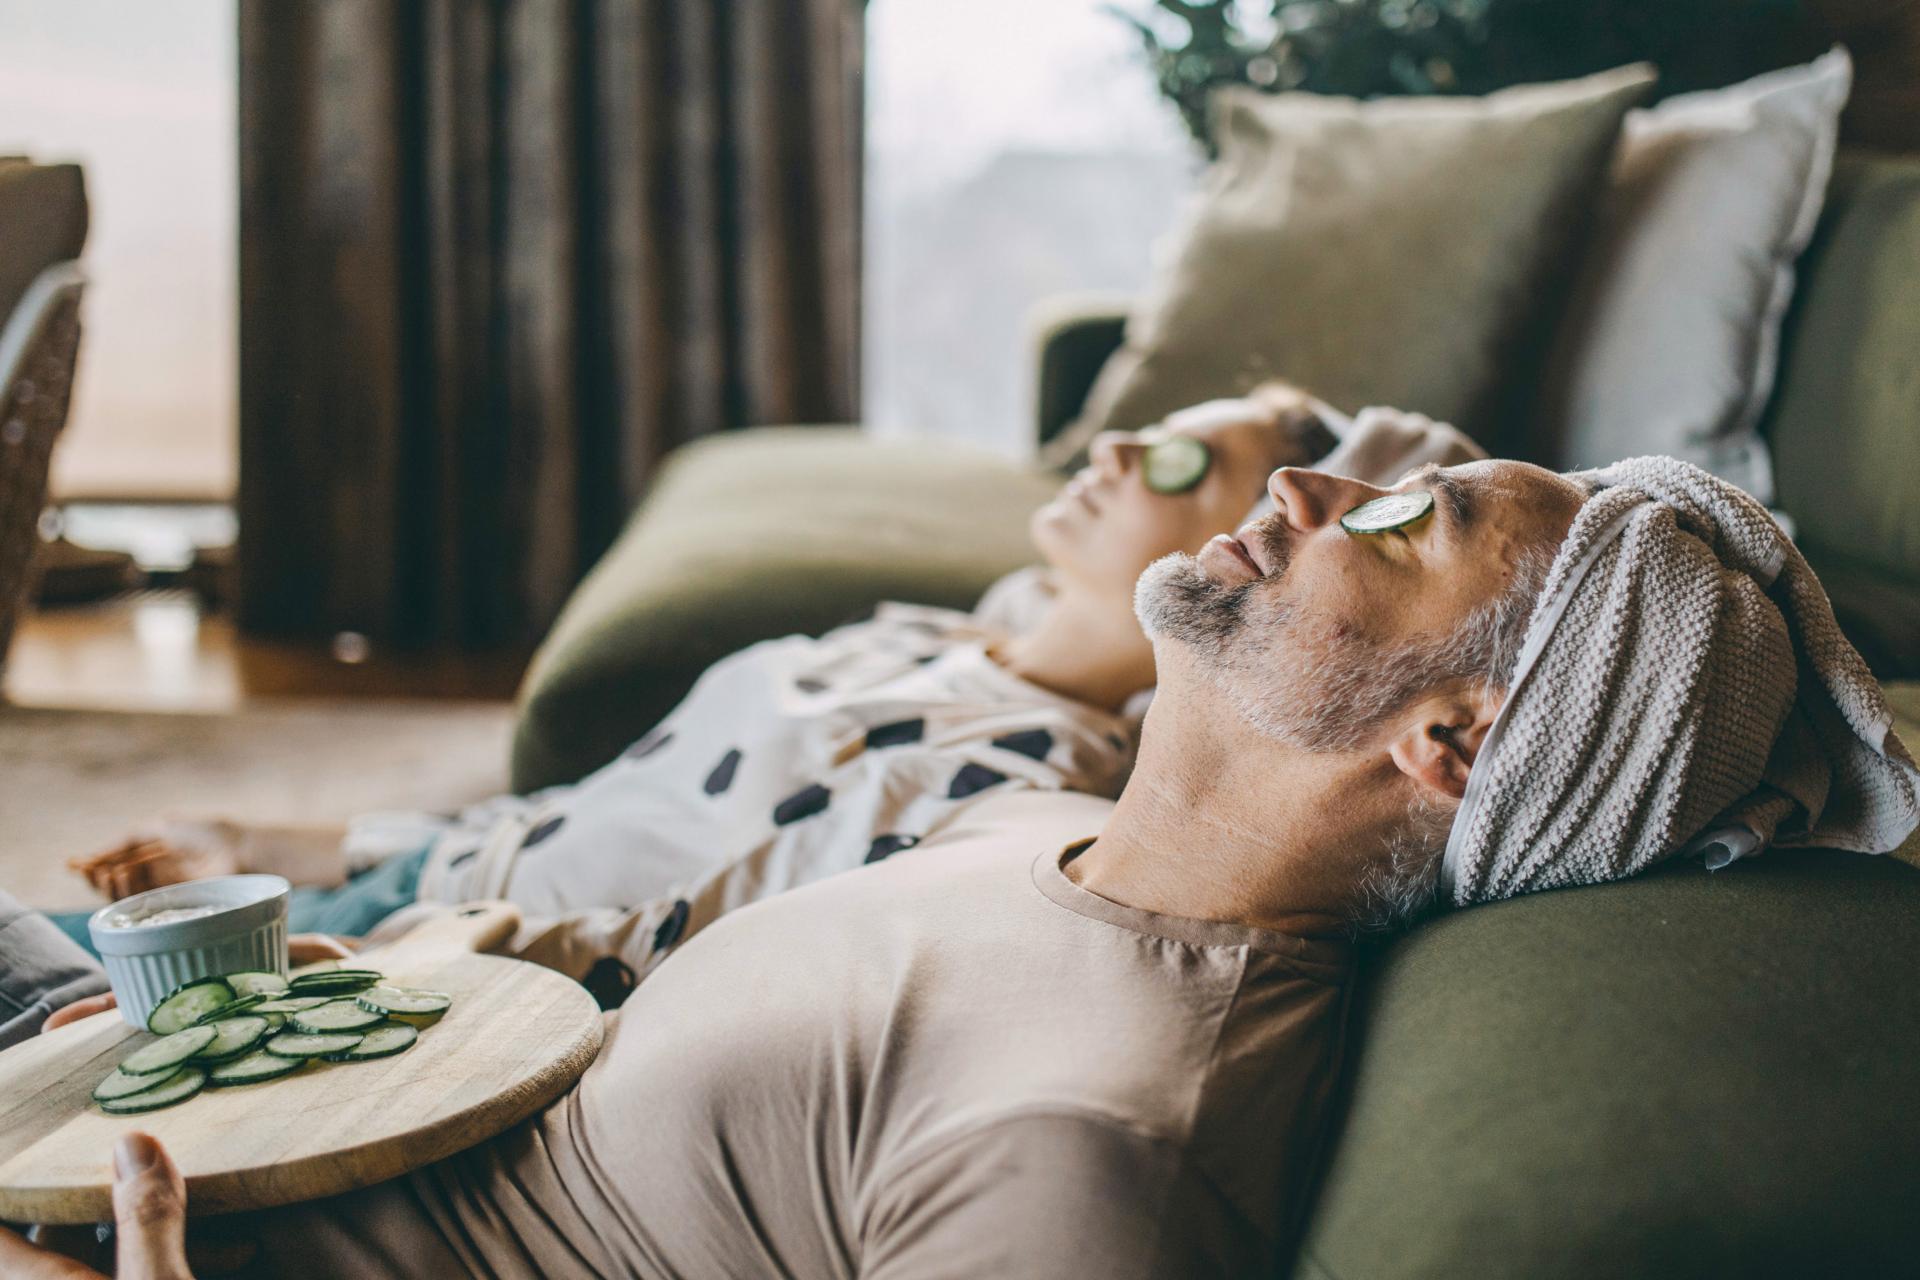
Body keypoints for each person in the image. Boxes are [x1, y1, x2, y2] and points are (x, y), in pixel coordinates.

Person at [20, 453, 1917, 1278]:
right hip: (226, 1101)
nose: (1305, 488)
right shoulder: (1045, 830)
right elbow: (644, 976)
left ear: (1458, 745)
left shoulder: (1099, 1135)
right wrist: (358, 985)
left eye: (1402, 521)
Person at [59, 391, 1481, 992]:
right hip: (415, 880)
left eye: (1181, 464)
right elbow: (582, 808)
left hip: (441, 967)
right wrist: (269, 853)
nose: (1115, 451)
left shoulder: (1002, 781)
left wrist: (330, 944)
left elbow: (673, 951)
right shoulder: (937, 636)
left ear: (1232, 553)